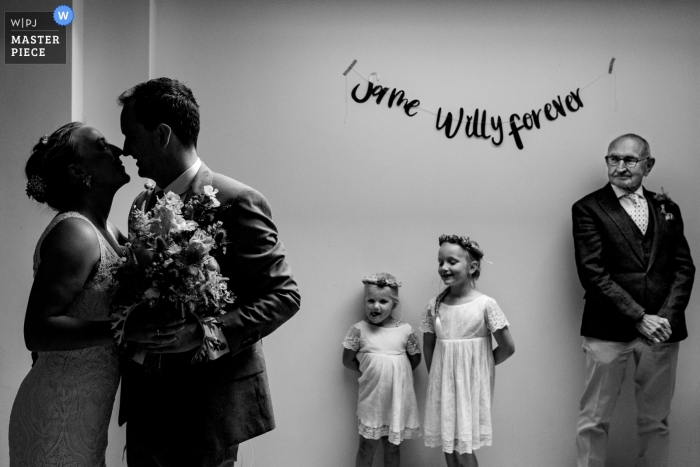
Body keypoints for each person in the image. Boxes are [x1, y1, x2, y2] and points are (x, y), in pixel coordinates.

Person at [117, 77, 301, 466]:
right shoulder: (142, 205)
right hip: (147, 403)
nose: (126, 149)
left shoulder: (237, 201)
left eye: (131, 135)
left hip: (207, 406)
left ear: (163, 134)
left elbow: (284, 296)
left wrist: (205, 334)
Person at [9, 122, 135, 466]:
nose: (117, 150)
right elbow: (37, 331)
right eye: (101, 145)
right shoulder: (75, 232)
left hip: (86, 412)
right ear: (78, 171)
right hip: (56, 413)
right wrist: (126, 328)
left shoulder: (109, 231)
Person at [572, 134, 695, 467]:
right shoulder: (587, 208)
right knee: (593, 420)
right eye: (613, 159)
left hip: (662, 334)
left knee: (656, 421)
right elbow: (592, 273)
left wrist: (664, 319)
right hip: (606, 330)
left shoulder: (668, 207)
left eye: (630, 160)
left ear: (648, 165)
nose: (620, 166)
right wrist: (640, 316)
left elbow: (684, 268)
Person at [421, 235, 515, 467]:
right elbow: (429, 344)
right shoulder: (435, 305)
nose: (444, 268)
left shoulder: (485, 305)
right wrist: (437, 377)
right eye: (440, 262)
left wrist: (480, 369)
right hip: (443, 386)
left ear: (472, 267)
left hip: (471, 387)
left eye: (452, 261)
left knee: (463, 448)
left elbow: (508, 347)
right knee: (449, 445)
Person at [342, 273, 422, 467]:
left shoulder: (405, 331)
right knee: (366, 446)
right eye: (371, 300)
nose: (375, 306)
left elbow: (415, 359)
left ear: (394, 304)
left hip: (397, 400)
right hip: (372, 400)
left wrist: (397, 373)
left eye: (383, 301)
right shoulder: (359, 330)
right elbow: (348, 360)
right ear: (365, 302)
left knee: (393, 446)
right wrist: (369, 372)